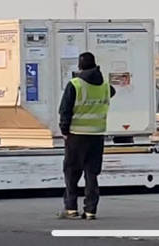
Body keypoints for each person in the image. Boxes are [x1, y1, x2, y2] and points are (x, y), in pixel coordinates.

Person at [58, 52, 116, 220]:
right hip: (97, 135)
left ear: (80, 66)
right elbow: (112, 92)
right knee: (92, 174)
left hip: (77, 135)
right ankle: (91, 210)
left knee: (71, 172)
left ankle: (71, 208)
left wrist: (64, 131)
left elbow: (65, 110)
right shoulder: (105, 86)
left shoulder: (75, 84)